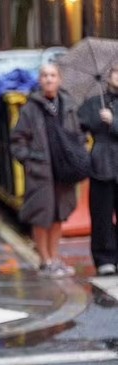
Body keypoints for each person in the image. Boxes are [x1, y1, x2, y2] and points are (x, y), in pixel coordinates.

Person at [11, 64, 80, 278]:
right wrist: (30, 161)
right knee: (41, 216)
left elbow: (77, 133)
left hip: (63, 169)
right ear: (39, 81)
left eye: (52, 75)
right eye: (44, 76)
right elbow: (17, 140)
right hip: (41, 170)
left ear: (59, 79)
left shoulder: (68, 105)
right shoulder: (30, 108)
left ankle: (55, 257)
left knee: (59, 215)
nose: (48, 79)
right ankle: (44, 260)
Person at [78, 63, 118, 276]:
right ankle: (105, 257)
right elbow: (78, 128)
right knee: (101, 215)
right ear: (108, 76)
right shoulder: (94, 103)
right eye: (116, 72)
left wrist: (113, 122)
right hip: (101, 164)